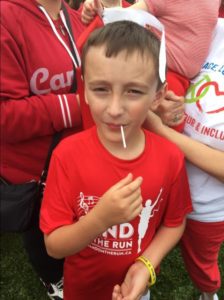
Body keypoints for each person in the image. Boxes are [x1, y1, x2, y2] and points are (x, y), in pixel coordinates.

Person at [40, 20, 192, 300]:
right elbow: (54, 245)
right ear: (84, 89)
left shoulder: (170, 157)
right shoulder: (67, 155)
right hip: (81, 290)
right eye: (101, 89)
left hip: (136, 288)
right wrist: (100, 219)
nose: (114, 108)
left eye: (133, 91)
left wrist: (145, 266)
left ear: (157, 95)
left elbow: (174, 222)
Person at [0, 0, 86, 299]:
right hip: (32, 172)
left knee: (71, 225)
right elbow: (5, 116)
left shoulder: (74, 17)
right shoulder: (5, 17)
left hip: (75, 159)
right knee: (40, 230)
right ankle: (53, 280)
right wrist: (80, 106)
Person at [145, 13, 224, 300]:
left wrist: (164, 132)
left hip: (208, 207)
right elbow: (161, 71)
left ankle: (208, 293)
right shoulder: (212, 29)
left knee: (202, 264)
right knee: (146, 246)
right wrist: (162, 106)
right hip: (162, 183)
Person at [81, 0, 220, 127]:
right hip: (163, 74)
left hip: (189, 81)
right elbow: (123, 17)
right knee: (166, 133)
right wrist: (97, 11)